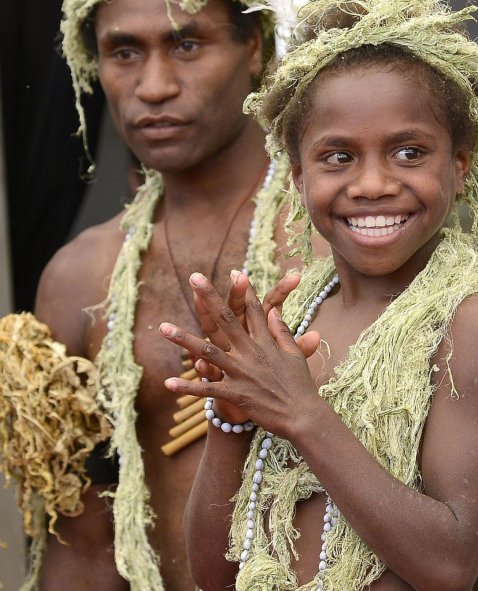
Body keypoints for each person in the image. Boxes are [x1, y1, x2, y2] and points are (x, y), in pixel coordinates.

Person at [157, 0, 478, 588]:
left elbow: (450, 565)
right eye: (338, 157)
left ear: (459, 167)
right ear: (299, 177)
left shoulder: (469, 319)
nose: (373, 184)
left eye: (409, 152)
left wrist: (302, 415)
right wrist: (230, 419)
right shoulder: (291, 323)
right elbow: (213, 572)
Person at [0, 0, 301, 589]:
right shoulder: (79, 279)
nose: (154, 86)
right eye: (124, 52)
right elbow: (82, 546)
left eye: (187, 44)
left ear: (256, 47)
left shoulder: (333, 236)